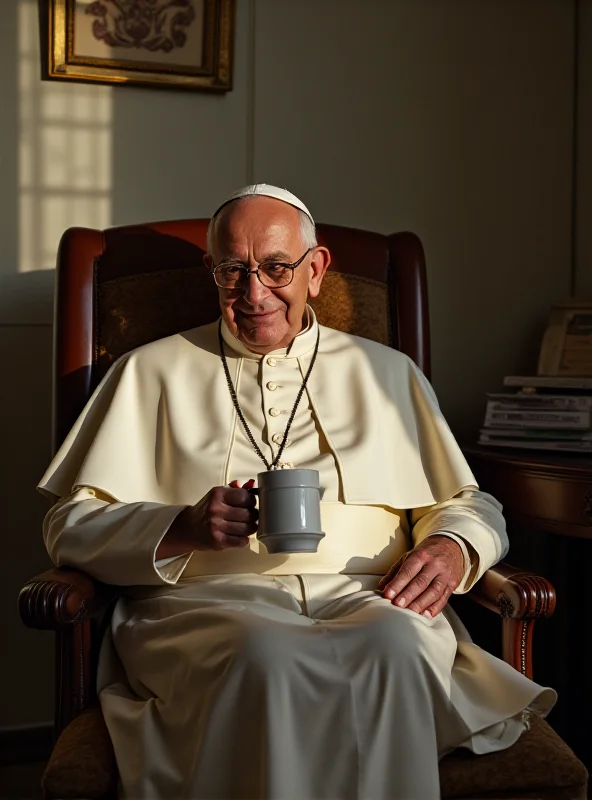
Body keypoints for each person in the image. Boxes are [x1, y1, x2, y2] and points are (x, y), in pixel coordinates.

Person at [39, 184, 555, 800]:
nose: (254, 294)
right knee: (265, 653)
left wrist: (452, 546)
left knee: (396, 644)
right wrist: (179, 527)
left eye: (278, 268)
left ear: (316, 270)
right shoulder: (149, 371)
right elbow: (68, 525)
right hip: (208, 609)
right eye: (234, 271)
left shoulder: (387, 373)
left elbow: (467, 503)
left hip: (370, 600)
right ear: (213, 271)